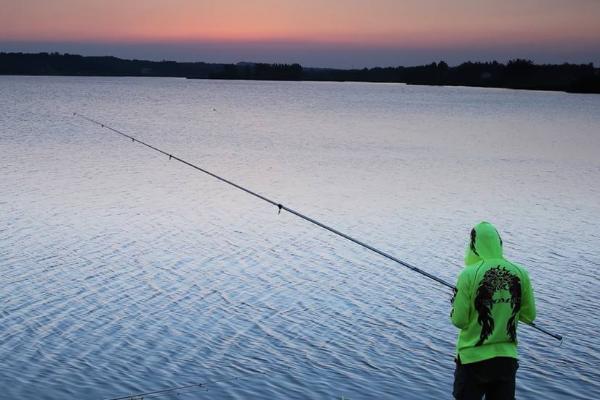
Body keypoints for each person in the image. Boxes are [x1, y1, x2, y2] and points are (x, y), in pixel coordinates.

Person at [451, 221, 536, 400]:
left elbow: (459, 320)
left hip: (472, 360)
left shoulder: (468, 274)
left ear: (474, 245)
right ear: (499, 243)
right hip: (506, 361)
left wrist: (456, 300)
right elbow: (529, 316)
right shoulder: (521, 272)